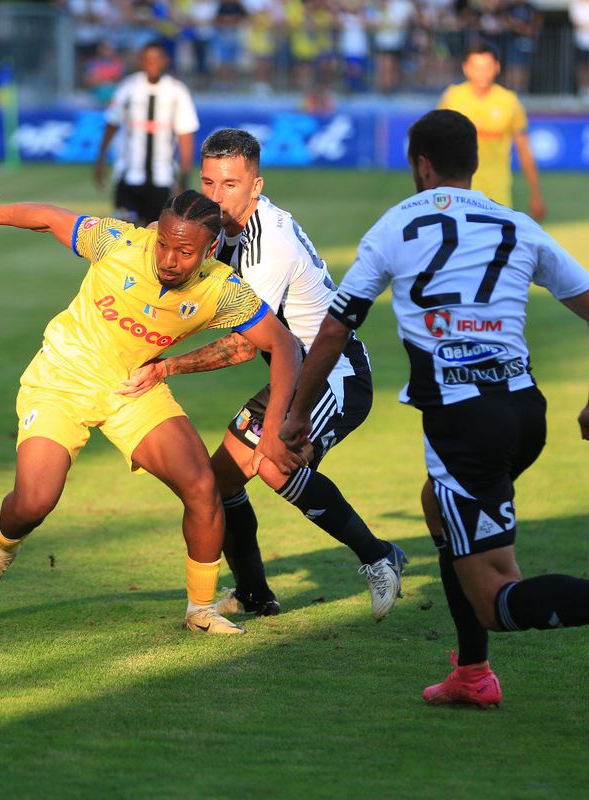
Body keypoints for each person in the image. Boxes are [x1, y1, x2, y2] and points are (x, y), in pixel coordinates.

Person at [280, 109, 589, 708]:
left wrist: (297, 416)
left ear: (421, 166)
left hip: (463, 422)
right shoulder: (516, 224)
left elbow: (334, 331)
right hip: (526, 412)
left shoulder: (394, 225)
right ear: (474, 164)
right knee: (437, 504)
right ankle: (472, 673)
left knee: (500, 598)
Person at [0, 188, 305, 635]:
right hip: (62, 380)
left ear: (211, 249)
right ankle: (2, 544)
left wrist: (276, 425)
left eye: (185, 251)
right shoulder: (117, 242)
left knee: (203, 485)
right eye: (163, 243)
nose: (167, 258)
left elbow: (283, 346)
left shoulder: (222, 289)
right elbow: (49, 215)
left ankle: (200, 609)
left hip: (132, 388)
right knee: (34, 502)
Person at [119, 128, 407, 620]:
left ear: (256, 186)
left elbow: (240, 347)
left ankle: (379, 557)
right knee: (218, 483)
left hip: (332, 374)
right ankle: (254, 594)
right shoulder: (218, 229)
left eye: (231, 184)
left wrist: (165, 367)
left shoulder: (267, 245)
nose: (216, 195)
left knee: (276, 464)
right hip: (291, 375)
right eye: (208, 182)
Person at [95, 41, 199, 225]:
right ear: (141, 62)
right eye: (148, 59)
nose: (153, 64)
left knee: (156, 240)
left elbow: (185, 135)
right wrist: (101, 159)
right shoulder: (128, 88)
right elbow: (112, 123)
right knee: (123, 239)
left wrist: (184, 176)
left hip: (162, 180)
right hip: (128, 179)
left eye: (157, 59)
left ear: (165, 61)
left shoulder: (177, 92)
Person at [439, 42, 546, 221]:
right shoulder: (452, 98)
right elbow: (436, 145)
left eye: (487, 67)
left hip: (497, 196)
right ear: (466, 68)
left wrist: (535, 193)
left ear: (497, 67)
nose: (482, 73)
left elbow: (524, 150)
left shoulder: (509, 102)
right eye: (476, 67)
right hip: (458, 195)